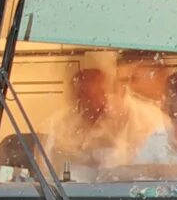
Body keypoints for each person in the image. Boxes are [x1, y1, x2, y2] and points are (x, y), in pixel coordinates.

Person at [45, 50, 163, 179]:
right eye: (82, 95)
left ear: (108, 89)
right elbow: (46, 170)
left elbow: (161, 170)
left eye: (94, 95)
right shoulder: (59, 125)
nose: (88, 103)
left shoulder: (149, 119)